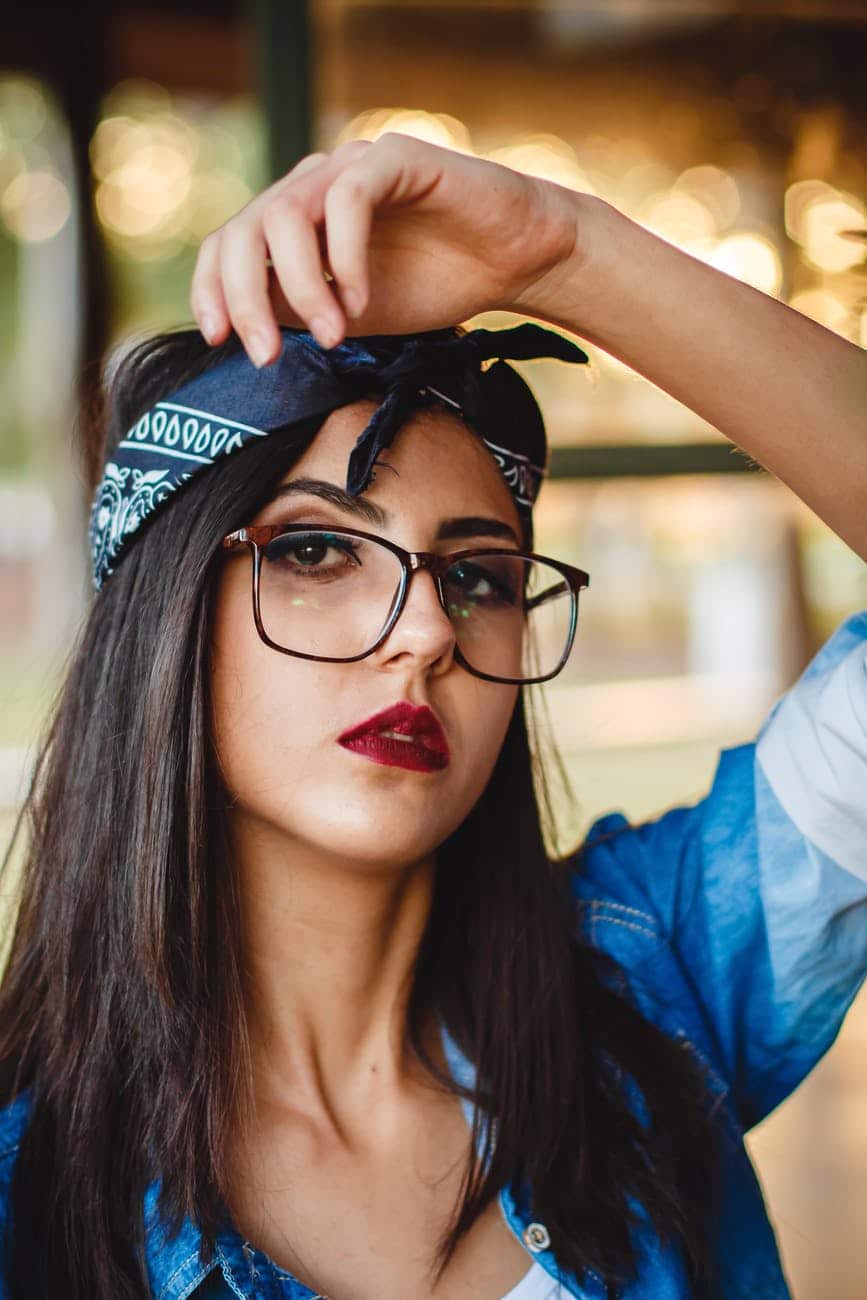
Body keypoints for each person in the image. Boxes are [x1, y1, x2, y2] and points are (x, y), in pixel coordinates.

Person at [0, 132, 864, 1300]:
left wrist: (563, 251)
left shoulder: (658, 980)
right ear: (164, 626)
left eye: (478, 577)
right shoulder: (31, 1191)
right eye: (315, 551)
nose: (426, 632)